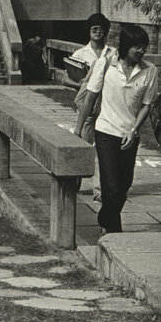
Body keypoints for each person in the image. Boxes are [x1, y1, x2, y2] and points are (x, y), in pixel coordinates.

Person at [75, 24, 159, 234]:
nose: (141, 51)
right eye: (137, 47)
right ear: (125, 46)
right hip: (105, 132)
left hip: (130, 134)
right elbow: (90, 97)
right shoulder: (105, 64)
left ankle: (104, 217)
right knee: (110, 186)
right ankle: (114, 233)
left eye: (144, 47)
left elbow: (147, 105)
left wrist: (134, 130)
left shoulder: (150, 71)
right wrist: (78, 130)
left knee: (124, 186)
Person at [63, 12, 117, 205]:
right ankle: (75, 178)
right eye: (94, 29)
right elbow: (64, 78)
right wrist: (84, 86)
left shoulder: (112, 54)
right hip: (87, 108)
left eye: (101, 30)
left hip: (107, 108)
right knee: (84, 147)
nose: (98, 33)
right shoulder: (80, 54)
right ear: (89, 31)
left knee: (104, 150)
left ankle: (99, 190)